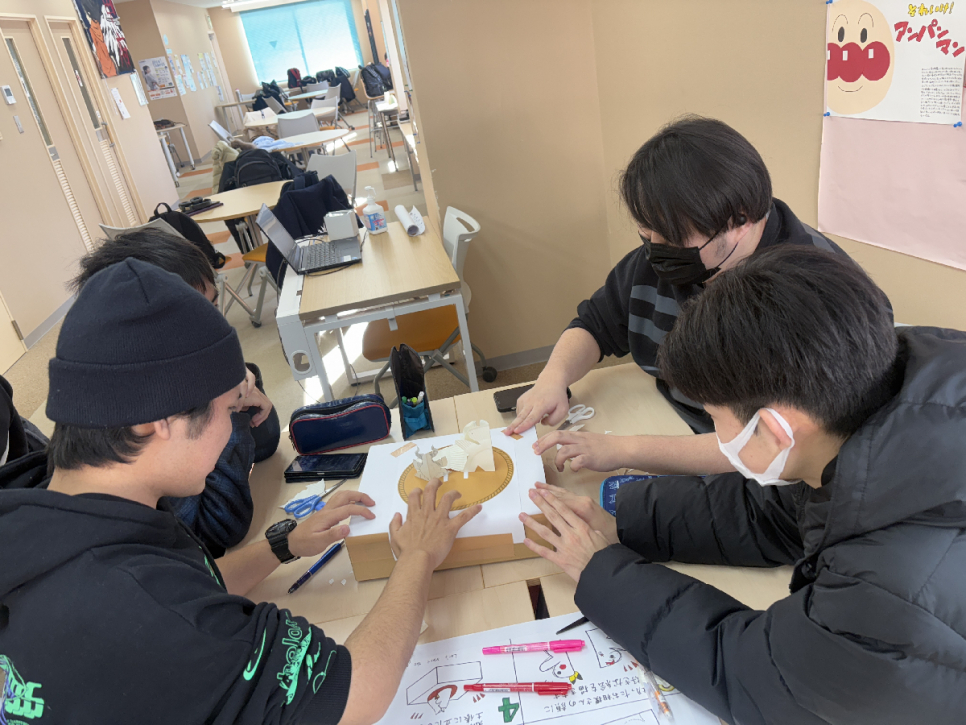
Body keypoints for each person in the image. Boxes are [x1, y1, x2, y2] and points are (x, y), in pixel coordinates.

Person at [0, 259, 481, 723]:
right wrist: (418, 554)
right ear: (156, 420)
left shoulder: (45, 514)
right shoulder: (144, 607)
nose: (235, 430)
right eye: (231, 409)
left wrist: (283, 544)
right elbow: (356, 692)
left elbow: (195, 588)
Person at [519, 246, 966, 723]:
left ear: (775, 430)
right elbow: (789, 509)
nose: (714, 432)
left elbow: (752, 676)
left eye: (713, 417)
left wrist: (601, 572)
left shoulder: (887, 597)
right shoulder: (902, 394)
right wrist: (626, 520)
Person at [505, 116, 852, 477]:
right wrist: (552, 379)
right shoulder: (671, 258)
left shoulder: (813, 296)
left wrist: (625, 450)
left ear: (740, 219)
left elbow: (773, 447)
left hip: (760, 472)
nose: (655, 250)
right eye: (646, 232)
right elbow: (596, 323)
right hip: (674, 421)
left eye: (670, 236)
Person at [68, 228, 280, 557]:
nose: (216, 328)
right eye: (194, 317)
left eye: (213, 307)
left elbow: (266, 442)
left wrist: (233, 395)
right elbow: (221, 527)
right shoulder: (145, 426)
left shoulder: (191, 375)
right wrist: (230, 408)